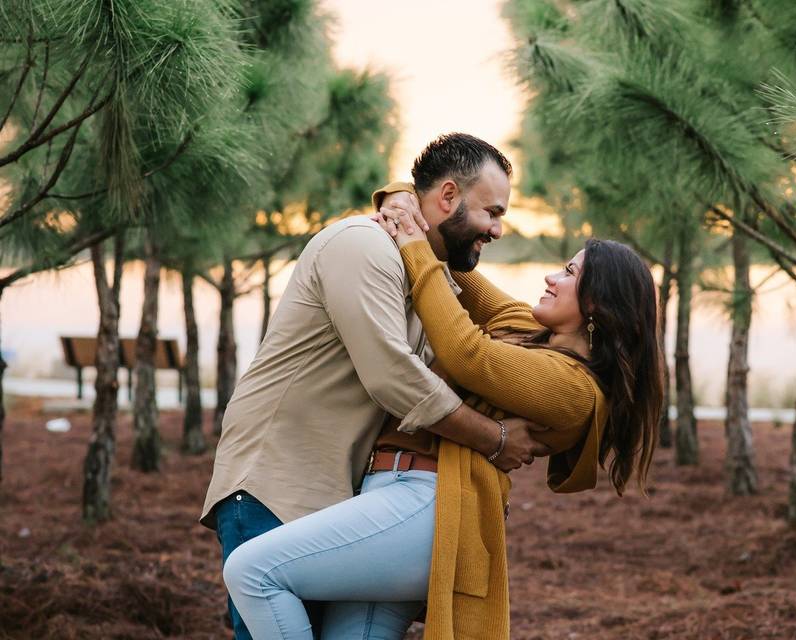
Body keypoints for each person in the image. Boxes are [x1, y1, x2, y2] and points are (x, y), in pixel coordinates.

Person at [222, 181, 664, 638]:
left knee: (253, 572)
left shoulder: (575, 390)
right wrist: (401, 200)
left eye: (570, 273)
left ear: (597, 303)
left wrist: (412, 238)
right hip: (386, 500)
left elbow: (464, 352)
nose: (551, 278)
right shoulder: (524, 326)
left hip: (426, 506)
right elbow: (453, 267)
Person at [200, 133, 550, 640]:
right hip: (275, 485)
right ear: (448, 197)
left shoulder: (429, 276)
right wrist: (493, 439)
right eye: (491, 212)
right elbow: (394, 376)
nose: (497, 229)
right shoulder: (361, 246)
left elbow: (487, 340)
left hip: (335, 496)